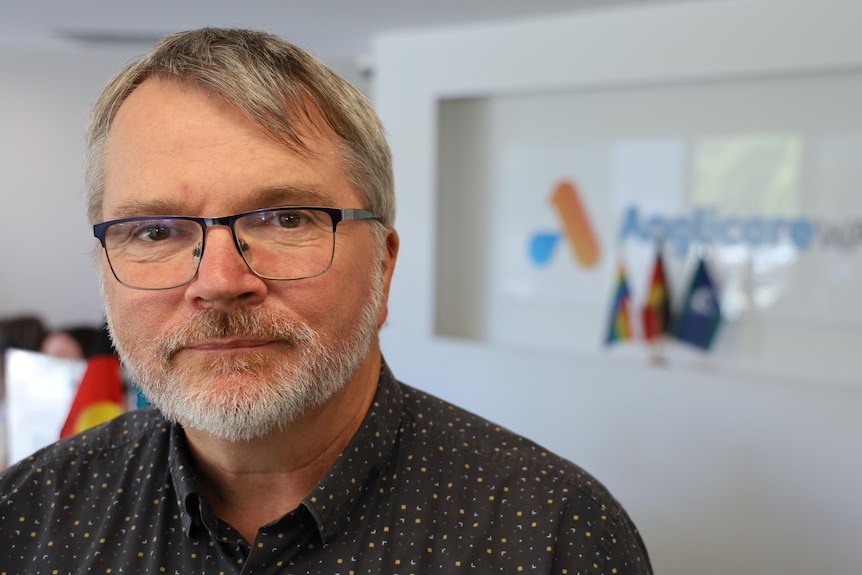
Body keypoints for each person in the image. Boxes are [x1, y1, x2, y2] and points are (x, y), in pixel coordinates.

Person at [0, 28, 652, 573]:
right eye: (154, 230)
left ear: (385, 267)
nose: (220, 280)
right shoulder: (28, 518)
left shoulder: (552, 535)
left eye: (285, 219)